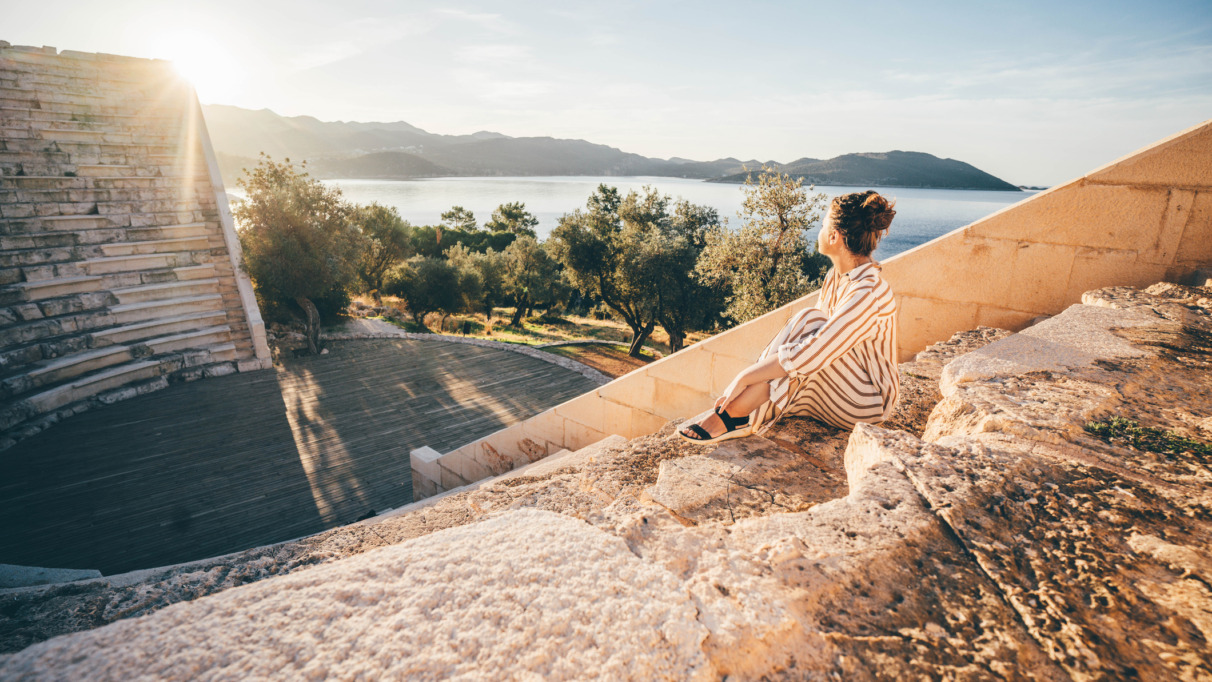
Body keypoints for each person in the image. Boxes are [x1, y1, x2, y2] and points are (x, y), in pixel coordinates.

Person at [678, 190, 899, 443]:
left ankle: (733, 413)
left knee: (809, 322)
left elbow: (814, 352)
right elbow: (807, 350)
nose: (820, 230)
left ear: (834, 236)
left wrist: (744, 376)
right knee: (806, 334)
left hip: (867, 402)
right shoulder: (836, 277)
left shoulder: (867, 292)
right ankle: (736, 414)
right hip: (840, 387)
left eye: (822, 224)